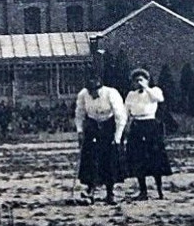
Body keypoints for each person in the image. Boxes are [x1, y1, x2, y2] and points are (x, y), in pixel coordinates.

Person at [74, 69, 126, 204]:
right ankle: (90, 190)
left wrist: (117, 138)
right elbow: (79, 114)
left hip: (109, 126)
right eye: (90, 91)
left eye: (95, 91)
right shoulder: (83, 94)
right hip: (92, 126)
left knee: (109, 160)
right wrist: (80, 131)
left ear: (100, 87)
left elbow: (120, 117)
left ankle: (110, 193)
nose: (92, 94)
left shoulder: (111, 93)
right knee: (91, 158)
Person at [122, 68, 172, 199]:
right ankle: (143, 191)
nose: (138, 83)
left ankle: (160, 190)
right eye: (136, 80)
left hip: (150, 124)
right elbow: (125, 110)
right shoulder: (131, 95)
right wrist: (125, 125)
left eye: (141, 80)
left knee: (155, 157)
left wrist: (146, 88)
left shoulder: (154, 91)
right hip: (137, 125)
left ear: (147, 80)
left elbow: (159, 99)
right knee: (138, 159)